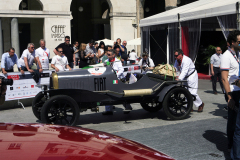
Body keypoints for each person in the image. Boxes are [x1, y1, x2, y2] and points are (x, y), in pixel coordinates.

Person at [220, 30, 240, 157]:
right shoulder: (226, 56)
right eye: (239, 41)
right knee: (233, 120)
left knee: (236, 122)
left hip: (239, 90)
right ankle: (230, 146)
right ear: (232, 43)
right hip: (232, 92)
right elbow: (224, 78)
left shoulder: (237, 54)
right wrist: (229, 97)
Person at [102, 49, 132, 115]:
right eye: (107, 54)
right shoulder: (106, 61)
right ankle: (108, 110)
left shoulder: (117, 61)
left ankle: (128, 107)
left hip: (117, 79)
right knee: (107, 93)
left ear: (113, 55)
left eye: (109, 54)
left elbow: (121, 70)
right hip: (109, 80)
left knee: (120, 93)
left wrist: (115, 75)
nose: (107, 56)